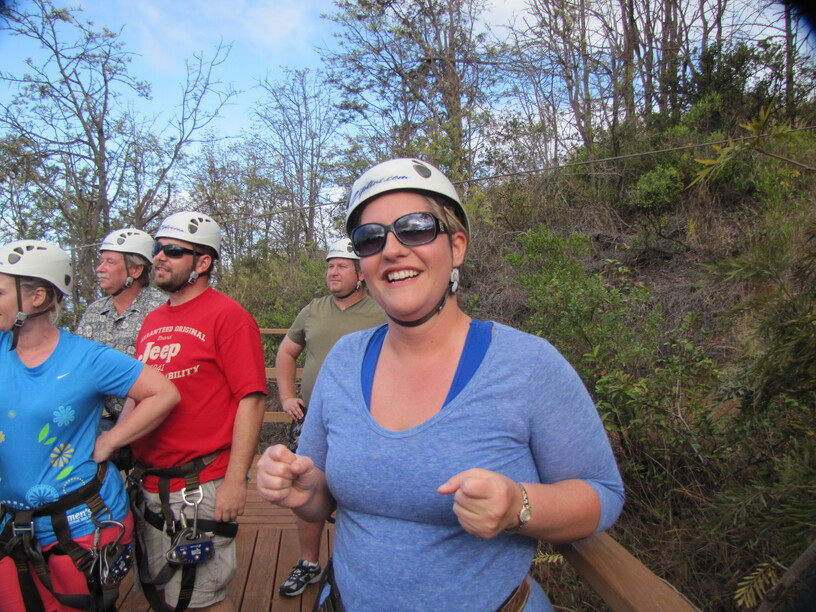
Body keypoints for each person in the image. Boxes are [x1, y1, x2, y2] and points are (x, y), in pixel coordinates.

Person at [256, 158, 625, 611]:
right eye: (370, 238)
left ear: (457, 246)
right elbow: (321, 495)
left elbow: (602, 493)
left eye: (415, 228)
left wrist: (518, 505)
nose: (392, 249)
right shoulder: (344, 361)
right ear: (363, 264)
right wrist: (303, 490)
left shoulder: (527, 365)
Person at [0, 239, 179, 612]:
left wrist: (110, 441)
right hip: (10, 523)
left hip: (79, 522)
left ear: (36, 298)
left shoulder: (85, 358)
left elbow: (163, 393)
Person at [127, 211, 267, 612]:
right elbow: (138, 395)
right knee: (162, 593)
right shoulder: (152, 320)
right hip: (151, 481)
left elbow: (252, 398)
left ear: (202, 262)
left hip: (200, 483)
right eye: (158, 249)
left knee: (201, 600)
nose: (159, 257)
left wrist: (236, 481)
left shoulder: (228, 316)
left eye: (173, 251)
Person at [276, 237, 385, 597]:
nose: (333, 272)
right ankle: (308, 563)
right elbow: (287, 352)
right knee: (306, 489)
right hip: (311, 420)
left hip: (364, 422)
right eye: (330, 266)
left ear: (361, 273)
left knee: (359, 492)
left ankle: (353, 566)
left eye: (341, 266)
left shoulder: (381, 311)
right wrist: (287, 396)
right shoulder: (313, 310)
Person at [77, 228, 166, 426]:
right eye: (101, 261)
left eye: (110, 262)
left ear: (135, 270)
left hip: (151, 421)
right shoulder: (94, 311)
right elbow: (79, 366)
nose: (100, 268)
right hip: (103, 420)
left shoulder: (161, 309)